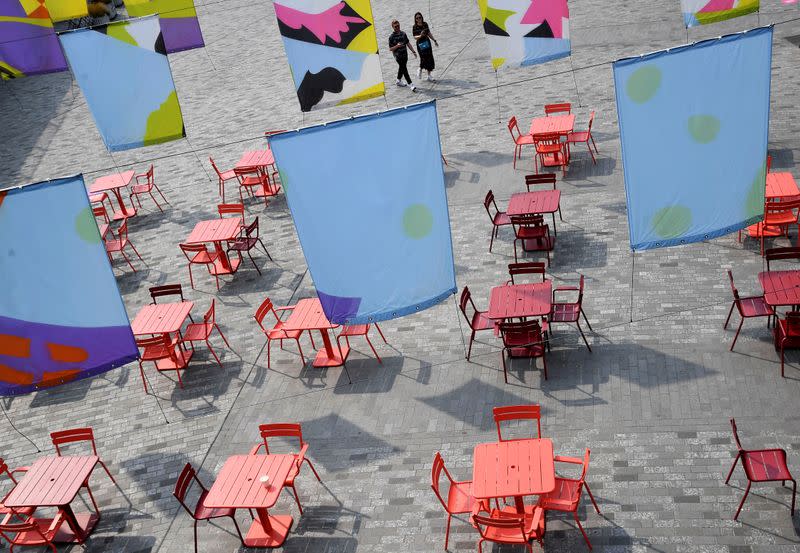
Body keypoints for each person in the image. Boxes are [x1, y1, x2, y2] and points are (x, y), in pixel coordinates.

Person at [388, 19, 418, 92]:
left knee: (402, 68)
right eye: (395, 26)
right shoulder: (391, 37)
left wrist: (413, 51)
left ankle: (398, 80)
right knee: (404, 69)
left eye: (398, 25)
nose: (397, 27)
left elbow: (408, 43)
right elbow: (390, 49)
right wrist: (397, 46)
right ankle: (411, 84)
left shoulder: (403, 34)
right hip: (398, 56)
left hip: (405, 55)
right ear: (393, 27)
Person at [412, 12, 438, 81]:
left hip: (427, 42)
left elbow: (428, 33)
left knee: (430, 58)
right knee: (423, 58)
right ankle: (420, 69)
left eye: (419, 17)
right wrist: (420, 35)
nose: (418, 19)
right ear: (415, 19)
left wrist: (434, 40)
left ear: (422, 17)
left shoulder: (425, 24)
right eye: (417, 18)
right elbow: (415, 37)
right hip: (420, 44)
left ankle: (429, 75)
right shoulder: (414, 27)